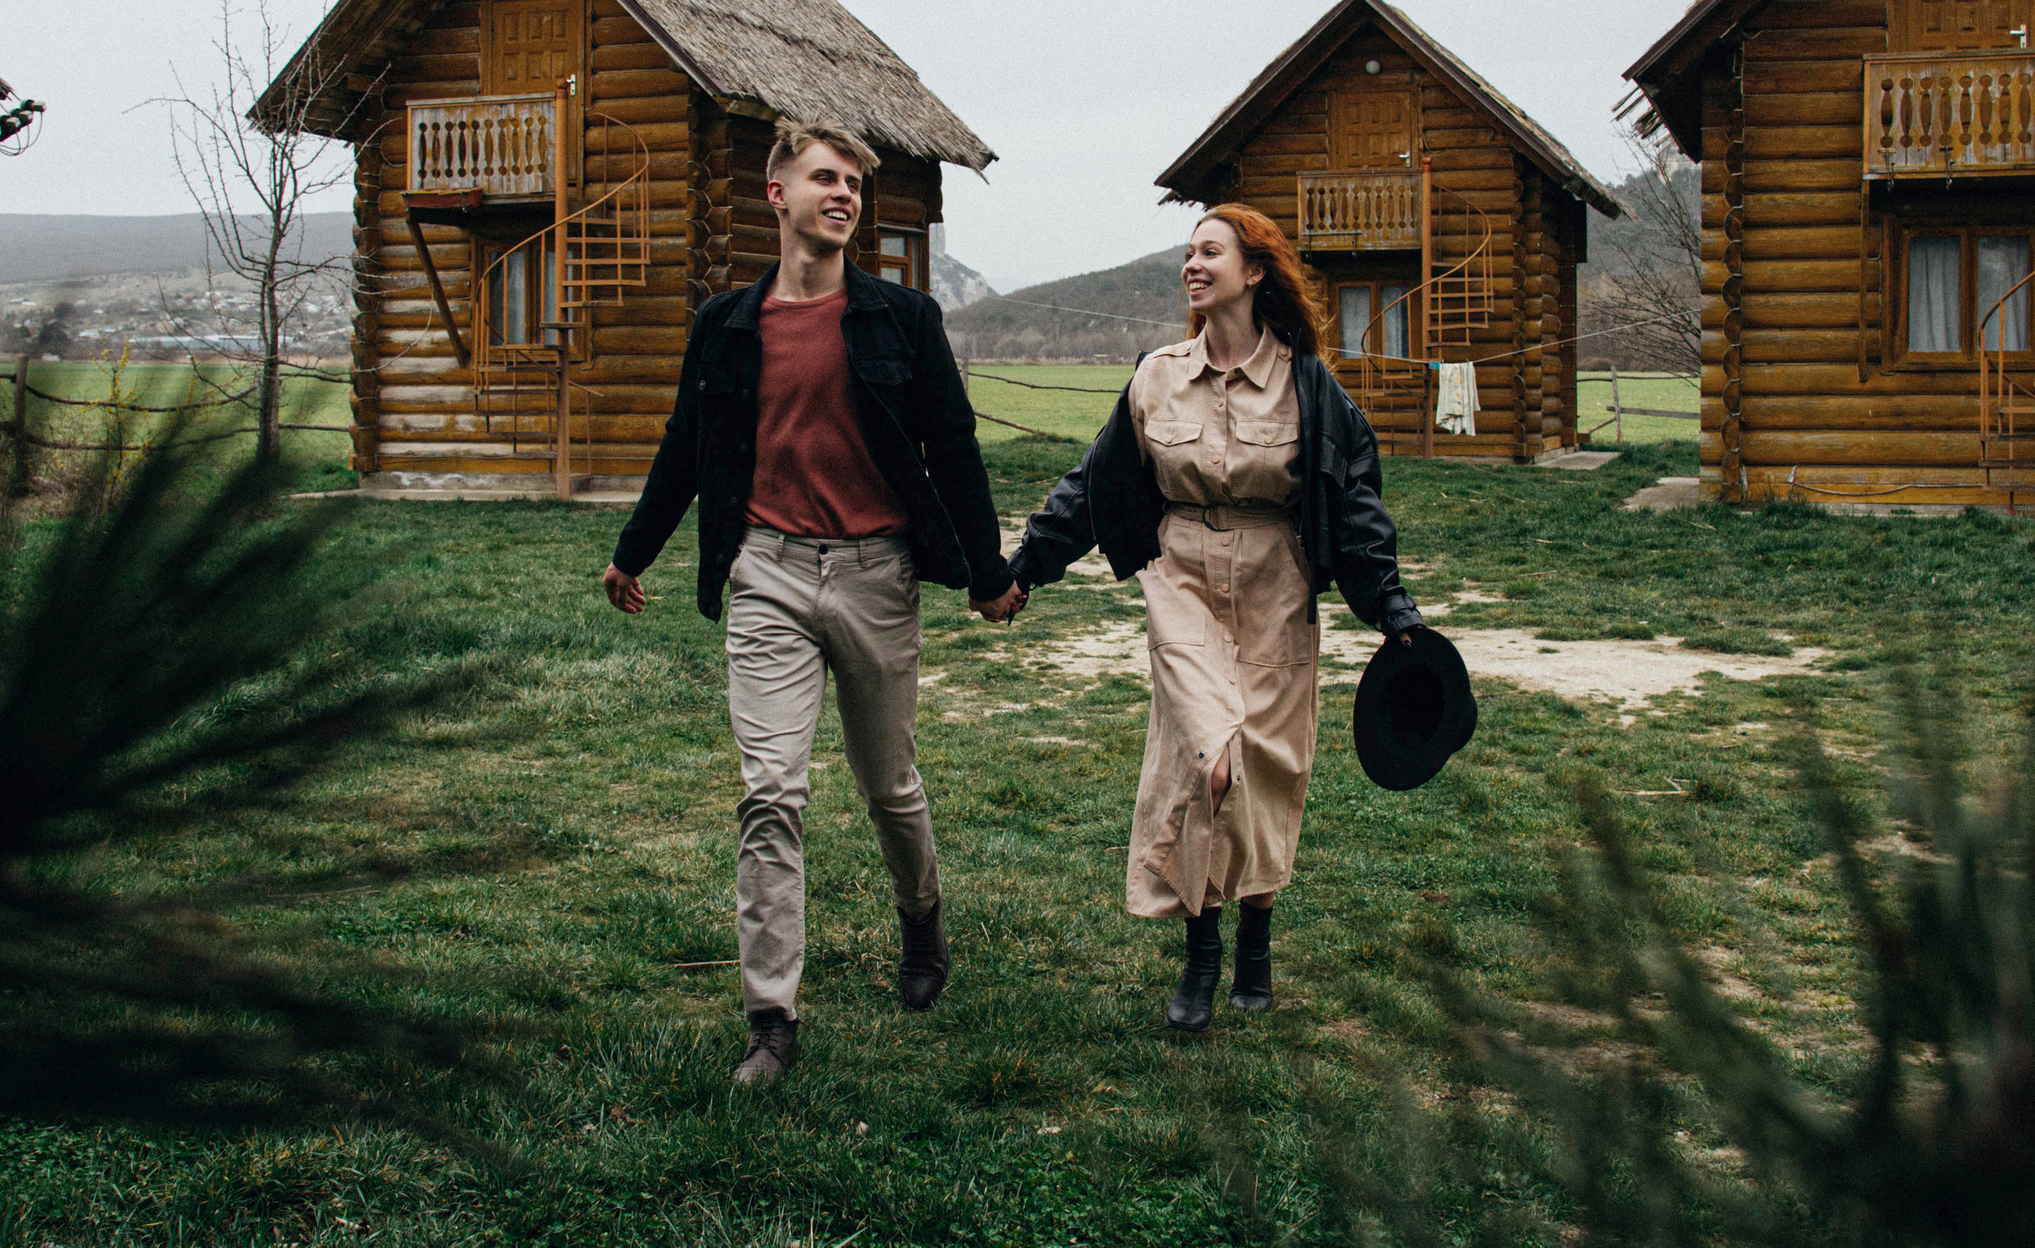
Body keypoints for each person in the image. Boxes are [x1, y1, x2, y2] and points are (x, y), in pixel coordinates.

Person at [602, 119, 1025, 1090]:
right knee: (770, 793)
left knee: (889, 786)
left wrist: (987, 571)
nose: (843, 195)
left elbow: (954, 450)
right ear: (777, 195)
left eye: (854, 186)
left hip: (877, 574)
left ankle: (921, 919)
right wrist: (634, 551)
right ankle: (771, 1018)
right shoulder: (726, 324)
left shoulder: (902, 319)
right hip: (767, 573)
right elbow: (685, 445)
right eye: (825, 178)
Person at [1005, 203, 1426, 1031]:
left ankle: (1255, 940)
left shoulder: (1309, 386)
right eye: (1188, 252)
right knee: (1208, 761)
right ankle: (1201, 949)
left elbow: (1354, 504)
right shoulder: (1156, 376)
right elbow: (1092, 485)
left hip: (1277, 586)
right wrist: (1024, 567)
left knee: (1265, 770)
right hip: (1183, 577)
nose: (1192, 265)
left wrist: (1392, 608)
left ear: (1254, 270)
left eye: (1210, 251)